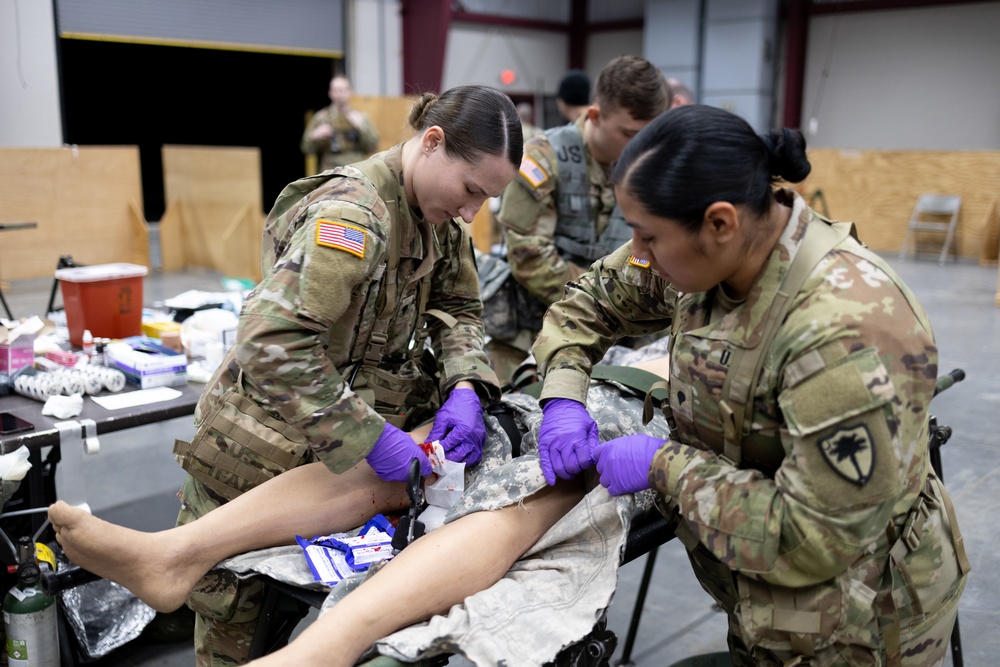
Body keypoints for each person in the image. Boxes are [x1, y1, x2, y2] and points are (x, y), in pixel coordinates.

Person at [531, 104, 970, 666]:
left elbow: (813, 537)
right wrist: (565, 394)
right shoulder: (705, 254)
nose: (637, 253)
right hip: (763, 603)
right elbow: (590, 300)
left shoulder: (844, 330)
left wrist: (662, 465)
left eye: (647, 237)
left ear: (720, 223)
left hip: (856, 627)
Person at [167, 84, 522, 666]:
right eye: (470, 190)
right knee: (242, 631)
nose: (471, 212)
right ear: (432, 143)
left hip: (338, 475)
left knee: (342, 632)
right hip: (260, 459)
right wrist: (370, 437)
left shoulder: (442, 222)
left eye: (485, 200)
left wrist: (464, 386)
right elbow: (272, 340)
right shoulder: (351, 216)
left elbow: (460, 312)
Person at [49, 345, 676, 666]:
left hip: (644, 421)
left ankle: (326, 646)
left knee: (531, 498)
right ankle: (174, 554)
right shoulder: (656, 275)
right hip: (544, 392)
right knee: (415, 458)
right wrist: (475, 389)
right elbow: (573, 316)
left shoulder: (748, 321)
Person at [483, 55, 671, 384]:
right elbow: (529, 258)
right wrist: (606, 299)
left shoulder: (649, 166)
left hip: (620, 333)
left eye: (650, 134)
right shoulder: (544, 158)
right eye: (630, 133)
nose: (642, 145)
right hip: (535, 329)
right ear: (594, 115)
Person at [301, 75, 381, 173]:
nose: (340, 94)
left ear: (350, 92)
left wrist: (362, 128)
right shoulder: (322, 118)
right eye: (336, 90)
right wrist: (315, 135)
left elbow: (373, 146)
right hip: (330, 171)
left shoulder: (361, 118)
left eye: (343, 90)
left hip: (356, 170)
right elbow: (306, 148)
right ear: (330, 93)